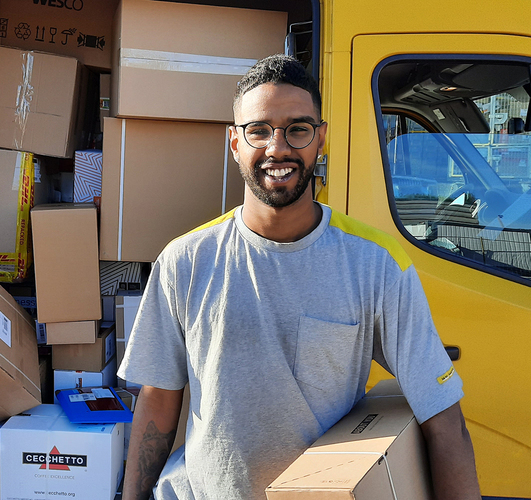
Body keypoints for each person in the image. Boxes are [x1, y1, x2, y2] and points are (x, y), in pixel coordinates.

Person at [118, 54, 481, 500]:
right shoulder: (184, 261)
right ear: (234, 142)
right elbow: (157, 401)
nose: (278, 148)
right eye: (259, 130)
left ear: (321, 138)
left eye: (298, 128)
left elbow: (443, 419)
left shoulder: (375, 264)